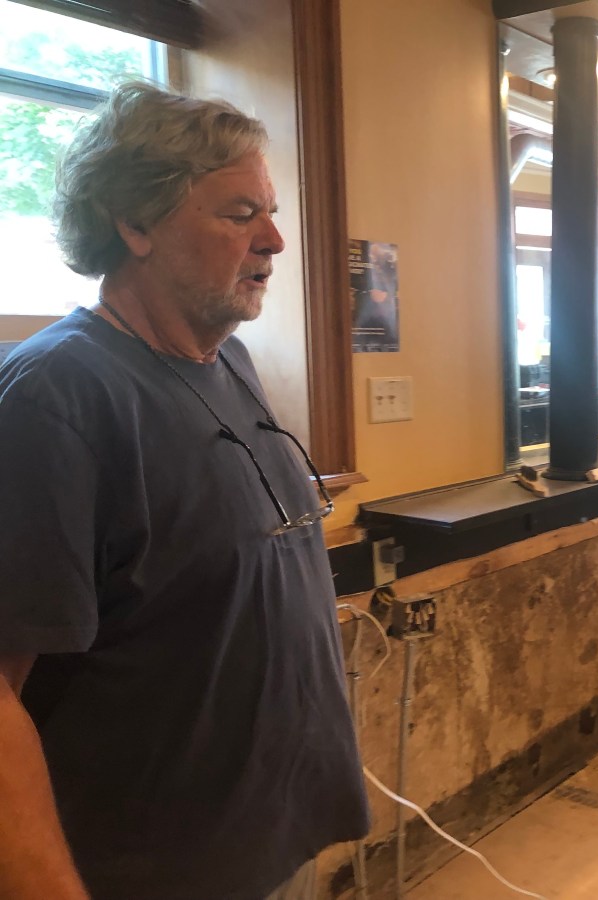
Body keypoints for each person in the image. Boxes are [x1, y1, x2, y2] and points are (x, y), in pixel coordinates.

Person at [0, 83, 369, 899]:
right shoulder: (54, 396)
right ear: (134, 224)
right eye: (239, 215)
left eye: (270, 212)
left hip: (271, 840)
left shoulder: (225, 360)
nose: (274, 240)